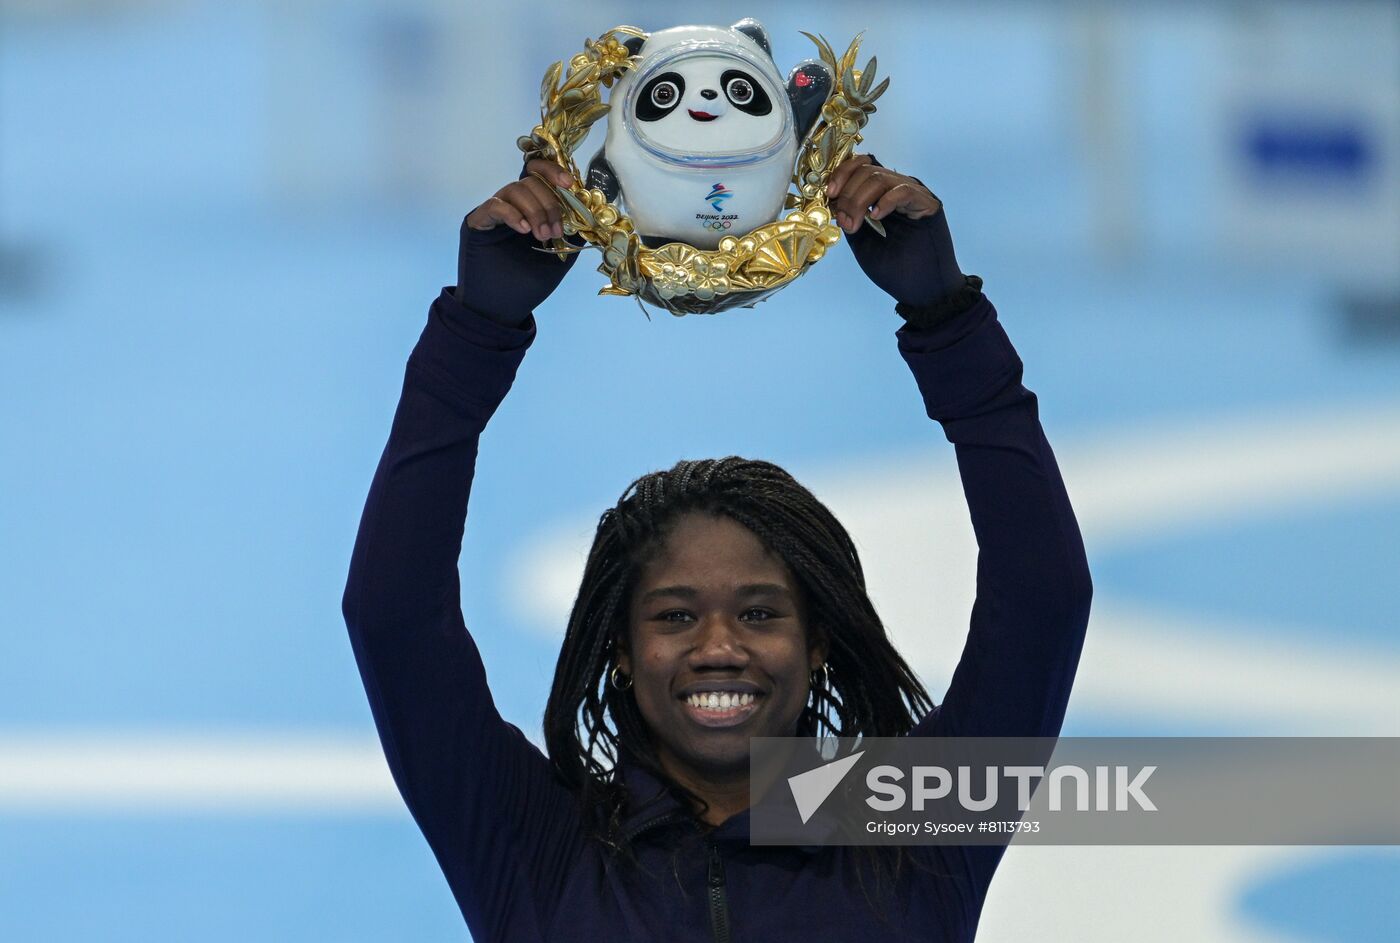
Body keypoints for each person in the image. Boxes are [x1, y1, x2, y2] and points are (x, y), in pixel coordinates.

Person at [342, 154, 1092, 942]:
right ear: (622, 648)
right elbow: (395, 616)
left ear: (818, 640)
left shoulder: (913, 832)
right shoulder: (533, 845)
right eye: (674, 615)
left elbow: (1042, 602)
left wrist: (947, 318)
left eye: (760, 612)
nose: (719, 647)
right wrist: (475, 332)